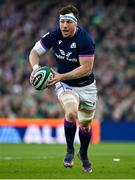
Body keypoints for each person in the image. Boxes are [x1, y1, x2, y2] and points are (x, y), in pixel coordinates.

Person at [29, 4, 97, 173]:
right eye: (62, 21)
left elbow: (86, 68)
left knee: (86, 126)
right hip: (65, 85)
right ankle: (69, 150)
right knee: (71, 112)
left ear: (75, 23)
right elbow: (34, 53)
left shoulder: (85, 40)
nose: (64, 25)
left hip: (86, 87)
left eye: (68, 21)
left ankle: (84, 153)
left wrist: (61, 76)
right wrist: (36, 69)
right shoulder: (54, 35)